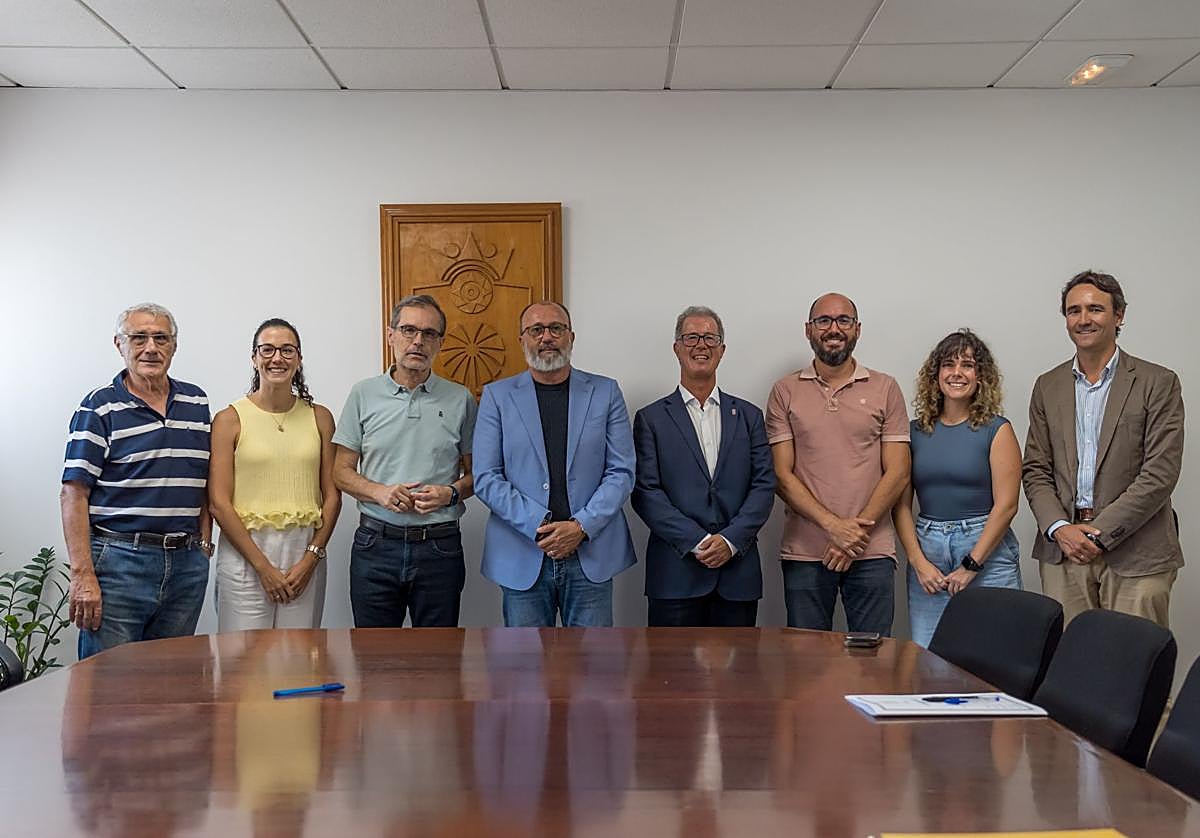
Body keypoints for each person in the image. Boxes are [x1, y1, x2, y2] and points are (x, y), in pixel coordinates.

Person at [1023, 270, 1184, 628]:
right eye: (1073, 310)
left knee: (1134, 668)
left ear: (1119, 316)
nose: (1083, 319)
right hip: (1064, 552)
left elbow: (1160, 473)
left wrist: (1099, 532)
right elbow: (1035, 469)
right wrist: (1060, 528)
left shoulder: (1158, 382)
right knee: (1071, 669)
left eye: (1095, 309)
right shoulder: (1047, 386)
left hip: (1137, 553)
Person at [61, 302, 213, 659]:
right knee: (109, 686)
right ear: (119, 344)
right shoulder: (98, 408)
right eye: (139, 337)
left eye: (161, 338)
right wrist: (82, 574)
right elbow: (73, 493)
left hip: (186, 565)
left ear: (174, 346)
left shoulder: (196, 401)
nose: (151, 348)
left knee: (171, 682)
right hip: (118, 564)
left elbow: (205, 479)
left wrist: (204, 546)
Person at [473, 301, 636, 626]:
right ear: (522, 339)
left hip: (591, 551)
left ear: (571, 337)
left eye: (556, 328)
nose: (546, 337)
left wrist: (579, 527)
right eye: (536, 330)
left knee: (595, 670)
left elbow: (621, 472)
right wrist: (541, 524)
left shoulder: (605, 392)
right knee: (525, 672)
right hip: (522, 553)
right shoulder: (497, 397)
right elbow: (486, 477)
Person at [766, 292, 910, 635]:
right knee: (806, 666)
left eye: (843, 320)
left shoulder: (885, 388)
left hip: (872, 551)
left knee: (872, 663)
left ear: (857, 329)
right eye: (823, 321)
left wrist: (854, 536)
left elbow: (899, 470)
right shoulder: (784, 391)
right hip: (805, 553)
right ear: (808, 330)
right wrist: (834, 528)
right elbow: (781, 476)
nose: (834, 328)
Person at [332, 295, 477, 627]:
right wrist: (380, 493)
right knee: (375, 659)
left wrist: (450, 493)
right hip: (375, 544)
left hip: (440, 546)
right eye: (408, 330)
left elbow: (478, 474)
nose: (417, 341)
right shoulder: (362, 394)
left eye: (428, 333)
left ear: (440, 342)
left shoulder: (461, 399)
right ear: (390, 335)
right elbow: (340, 471)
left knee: (439, 658)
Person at [631, 306, 776, 626]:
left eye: (710, 338)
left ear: (722, 350)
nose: (701, 345)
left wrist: (729, 541)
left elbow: (764, 486)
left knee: (738, 676)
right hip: (674, 577)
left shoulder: (750, 417)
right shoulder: (651, 419)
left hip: (737, 576)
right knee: (672, 676)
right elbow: (645, 492)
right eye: (692, 337)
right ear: (676, 348)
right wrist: (696, 542)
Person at [892, 329, 1022, 647]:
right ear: (936, 374)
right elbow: (900, 506)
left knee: (997, 658)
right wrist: (919, 563)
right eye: (948, 365)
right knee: (930, 661)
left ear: (981, 376)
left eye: (967, 365)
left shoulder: (997, 430)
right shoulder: (914, 432)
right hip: (929, 551)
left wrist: (971, 565)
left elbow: (1007, 506)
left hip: (986, 551)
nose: (957, 373)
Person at [209, 318, 340, 630]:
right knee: (243, 661)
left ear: (299, 358)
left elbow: (333, 497)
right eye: (267, 350)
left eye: (287, 350)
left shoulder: (320, 417)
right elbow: (218, 502)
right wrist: (263, 567)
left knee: (297, 659)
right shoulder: (229, 419)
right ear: (254, 357)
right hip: (245, 555)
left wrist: (311, 558)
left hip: (304, 552)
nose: (277, 358)